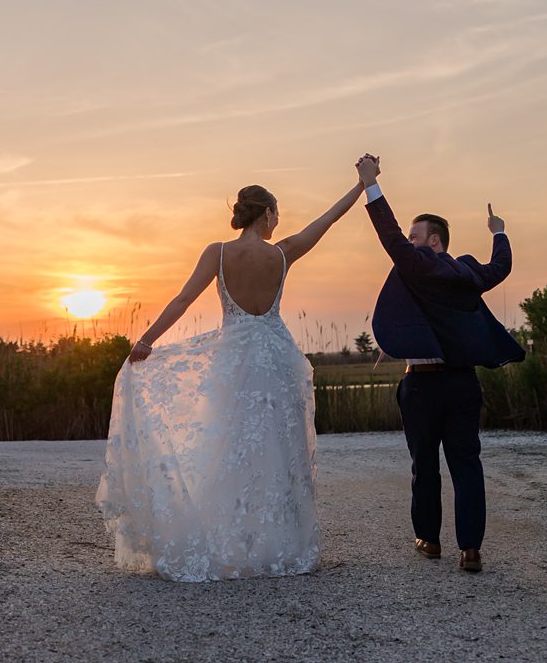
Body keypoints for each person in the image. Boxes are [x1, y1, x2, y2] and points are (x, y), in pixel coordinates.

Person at [95, 178, 365, 582]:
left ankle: (227, 542)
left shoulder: (218, 253)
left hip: (233, 362)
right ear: (268, 214)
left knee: (228, 449)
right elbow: (327, 220)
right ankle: (278, 545)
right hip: (277, 362)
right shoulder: (283, 253)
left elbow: (184, 299)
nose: (278, 222)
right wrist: (361, 185)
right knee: (277, 453)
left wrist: (146, 340)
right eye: (277, 214)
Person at [355, 153, 525, 573]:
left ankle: (430, 540)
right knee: (467, 463)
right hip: (464, 385)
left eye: (416, 236)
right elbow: (500, 267)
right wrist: (498, 232)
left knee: (424, 464)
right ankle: (470, 549)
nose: (409, 242)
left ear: (434, 242)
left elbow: (390, 237)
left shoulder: (419, 263)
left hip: (424, 386)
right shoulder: (466, 273)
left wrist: (371, 183)